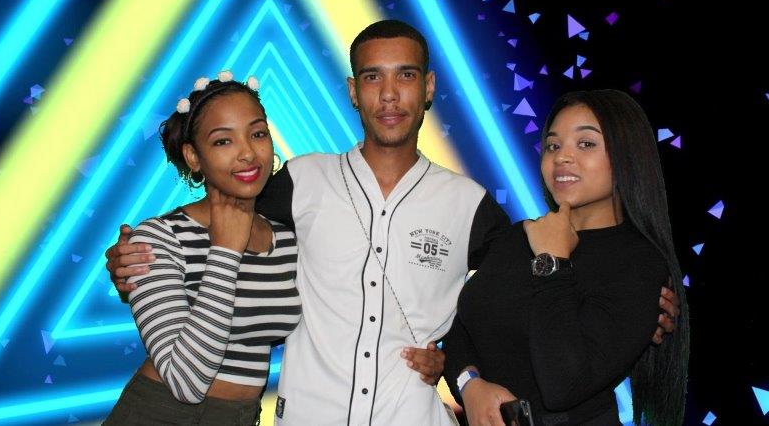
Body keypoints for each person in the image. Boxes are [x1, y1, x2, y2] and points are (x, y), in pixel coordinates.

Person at [106, 22, 679, 425]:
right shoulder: (301, 180)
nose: (388, 95)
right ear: (353, 92)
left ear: (427, 88)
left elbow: (508, 305)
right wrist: (133, 256)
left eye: (405, 76)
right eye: (372, 78)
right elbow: (224, 214)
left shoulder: (469, 203)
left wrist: (637, 309)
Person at [444, 90, 689, 426]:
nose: (562, 157)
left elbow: (563, 385)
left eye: (586, 143)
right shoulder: (518, 236)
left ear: (627, 155)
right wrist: (470, 385)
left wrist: (552, 261)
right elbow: (461, 326)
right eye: (553, 145)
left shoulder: (639, 264)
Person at [104, 72, 302, 425]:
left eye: (257, 134)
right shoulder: (158, 238)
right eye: (223, 141)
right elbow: (185, 383)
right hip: (162, 415)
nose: (247, 153)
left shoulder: (287, 241)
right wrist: (225, 252)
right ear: (193, 156)